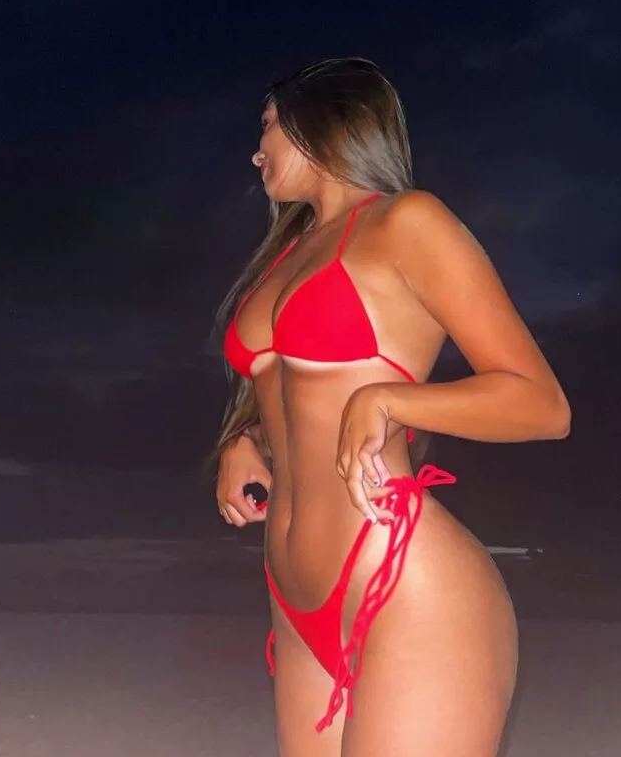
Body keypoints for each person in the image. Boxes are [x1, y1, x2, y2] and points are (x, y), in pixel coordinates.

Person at [213, 58, 570, 757]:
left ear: (321, 121)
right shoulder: (288, 252)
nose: (256, 151)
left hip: (403, 585)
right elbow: (298, 390)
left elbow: (542, 404)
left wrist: (391, 400)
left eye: (269, 126)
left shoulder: (407, 222)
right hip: (296, 599)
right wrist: (247, 438)